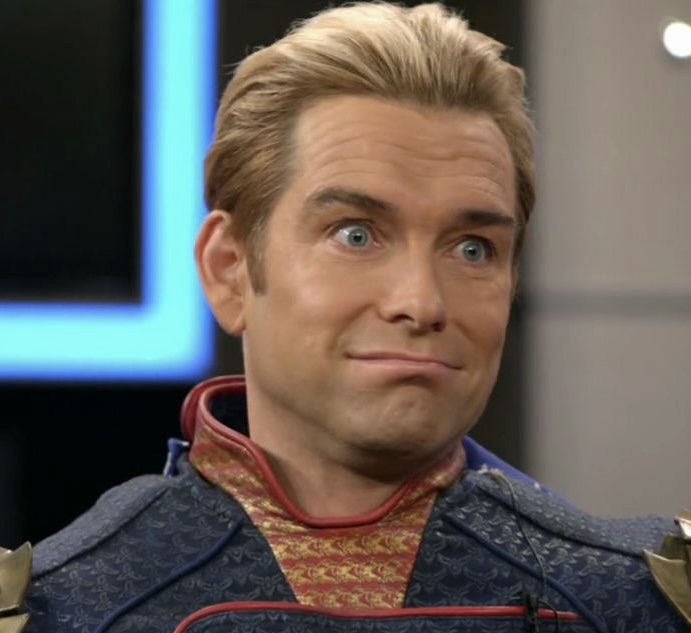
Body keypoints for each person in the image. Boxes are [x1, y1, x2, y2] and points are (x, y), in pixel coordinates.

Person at [3, 2, 689, 632]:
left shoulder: (643, 602)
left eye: (472, 248)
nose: (422, 302)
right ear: (229, 269)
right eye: (355, 235)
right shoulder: (60, 610)